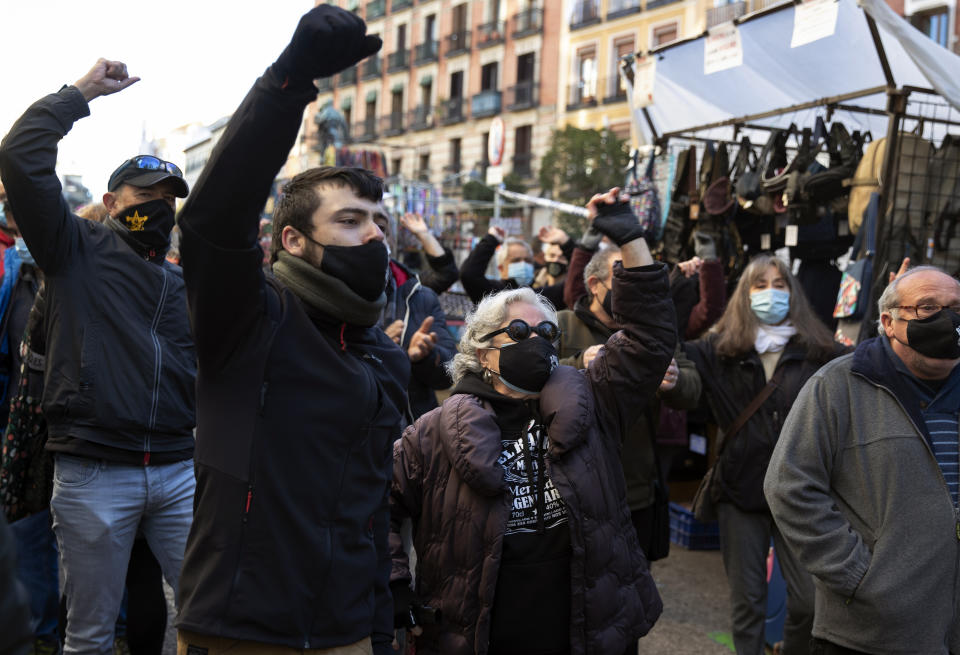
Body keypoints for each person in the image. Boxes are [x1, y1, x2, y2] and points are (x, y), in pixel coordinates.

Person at [174, 7, 401, 654]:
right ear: (293, 241)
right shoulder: (248, 319)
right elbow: (213, 219)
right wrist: (287, 82)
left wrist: (379, 629)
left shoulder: (380, 356)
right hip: (240, 631)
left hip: (346, 633)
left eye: (379, 222)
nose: (374, 236)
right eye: (352, 221)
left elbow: (371, 512)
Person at [390, 193, 673, 654]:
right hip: (484, 635)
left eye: (548, 334)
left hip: (585, 629)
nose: (537, 342)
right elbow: (377, 505)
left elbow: (650, 339)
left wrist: (633, 242)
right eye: (520, 333)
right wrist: (395, 585)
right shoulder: (431, 433)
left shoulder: (595, 401)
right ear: (483, 351)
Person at [0, 59, 197, 655]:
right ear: (112, 202)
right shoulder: (74, 250)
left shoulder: (182, 282)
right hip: (94, 473)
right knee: (88, 635)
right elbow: (21, 155)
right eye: (146, 196)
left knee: (214, 615)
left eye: (169, 198)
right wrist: (81, 93)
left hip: (176, 470)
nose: (159, 208)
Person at [765, 265, 960, 655]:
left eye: (956, 308)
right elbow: (789, 485)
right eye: (927, 308)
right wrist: (858, 577)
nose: (947, 320)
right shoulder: (838, 386)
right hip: (866, 635)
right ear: (888, 321)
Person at [683, 254, 842, 655]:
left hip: (801, 491)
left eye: (779, 284)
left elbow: (870, 364)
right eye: (759, 285)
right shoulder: (718, 351)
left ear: (793, 293)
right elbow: (667, 349)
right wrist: (675, 284)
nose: (770, 293)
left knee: (808, 601)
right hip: (741, 489)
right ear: (745, 294)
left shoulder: (819, 350)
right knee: (747, 602)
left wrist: (891, 310)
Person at [556, 237, 701, 573]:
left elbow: (693, 390)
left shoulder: (653, 333)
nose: (635, 290)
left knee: (630, 594)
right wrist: (578, 364)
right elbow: (530, 381)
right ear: (594, 285)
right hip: (570, 490)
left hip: (633, 490)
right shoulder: (562, 325)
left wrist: (675, 382)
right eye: (623, 279)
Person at [376, 213, 456, 424]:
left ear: (391, 240)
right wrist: (376, 351)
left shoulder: (419, 295)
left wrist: (426, 357)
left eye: (381, 228)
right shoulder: (315, 299)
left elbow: (448, 373)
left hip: (415, 437)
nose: (373, 233)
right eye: (352, 222)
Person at [459, 224, 574, 307]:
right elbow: (469, 274)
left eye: (528, 260)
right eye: (516, 260)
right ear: (501, 268)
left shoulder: (542, 296)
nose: (523, 264)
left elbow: (576, 279)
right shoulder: (492, 294)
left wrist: (566, 243)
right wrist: (490, 240)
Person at [397, 212, 459, 295]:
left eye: (382, 228)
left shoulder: (400, 280)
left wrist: (423, 234)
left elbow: (446, 274)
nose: (378, 234)